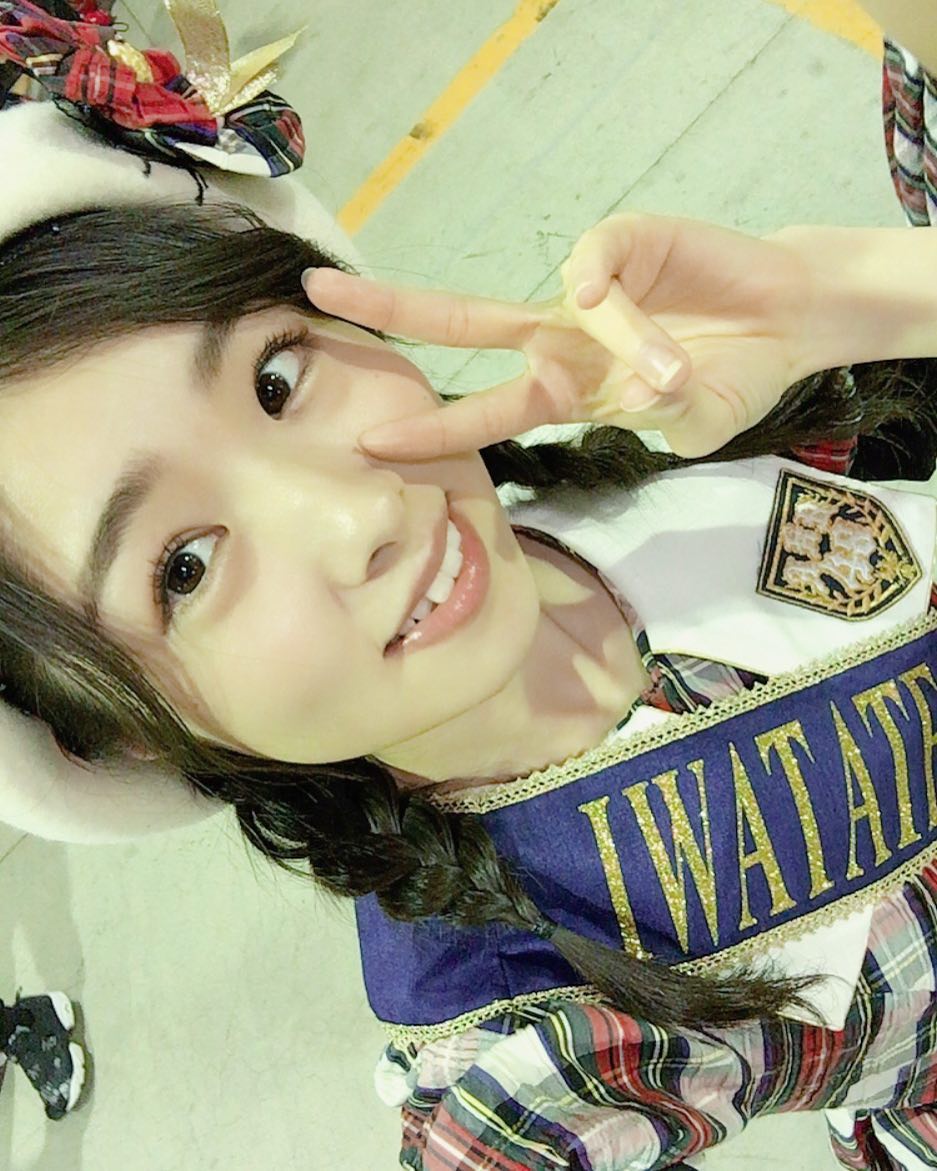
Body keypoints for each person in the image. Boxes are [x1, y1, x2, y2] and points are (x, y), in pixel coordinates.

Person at [5, 3, 937, 1170]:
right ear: (120, 733)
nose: (357, 517)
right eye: (183, 567)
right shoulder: (515, 1027)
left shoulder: (614, 457)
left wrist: (852, 293)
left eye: (278, 380)